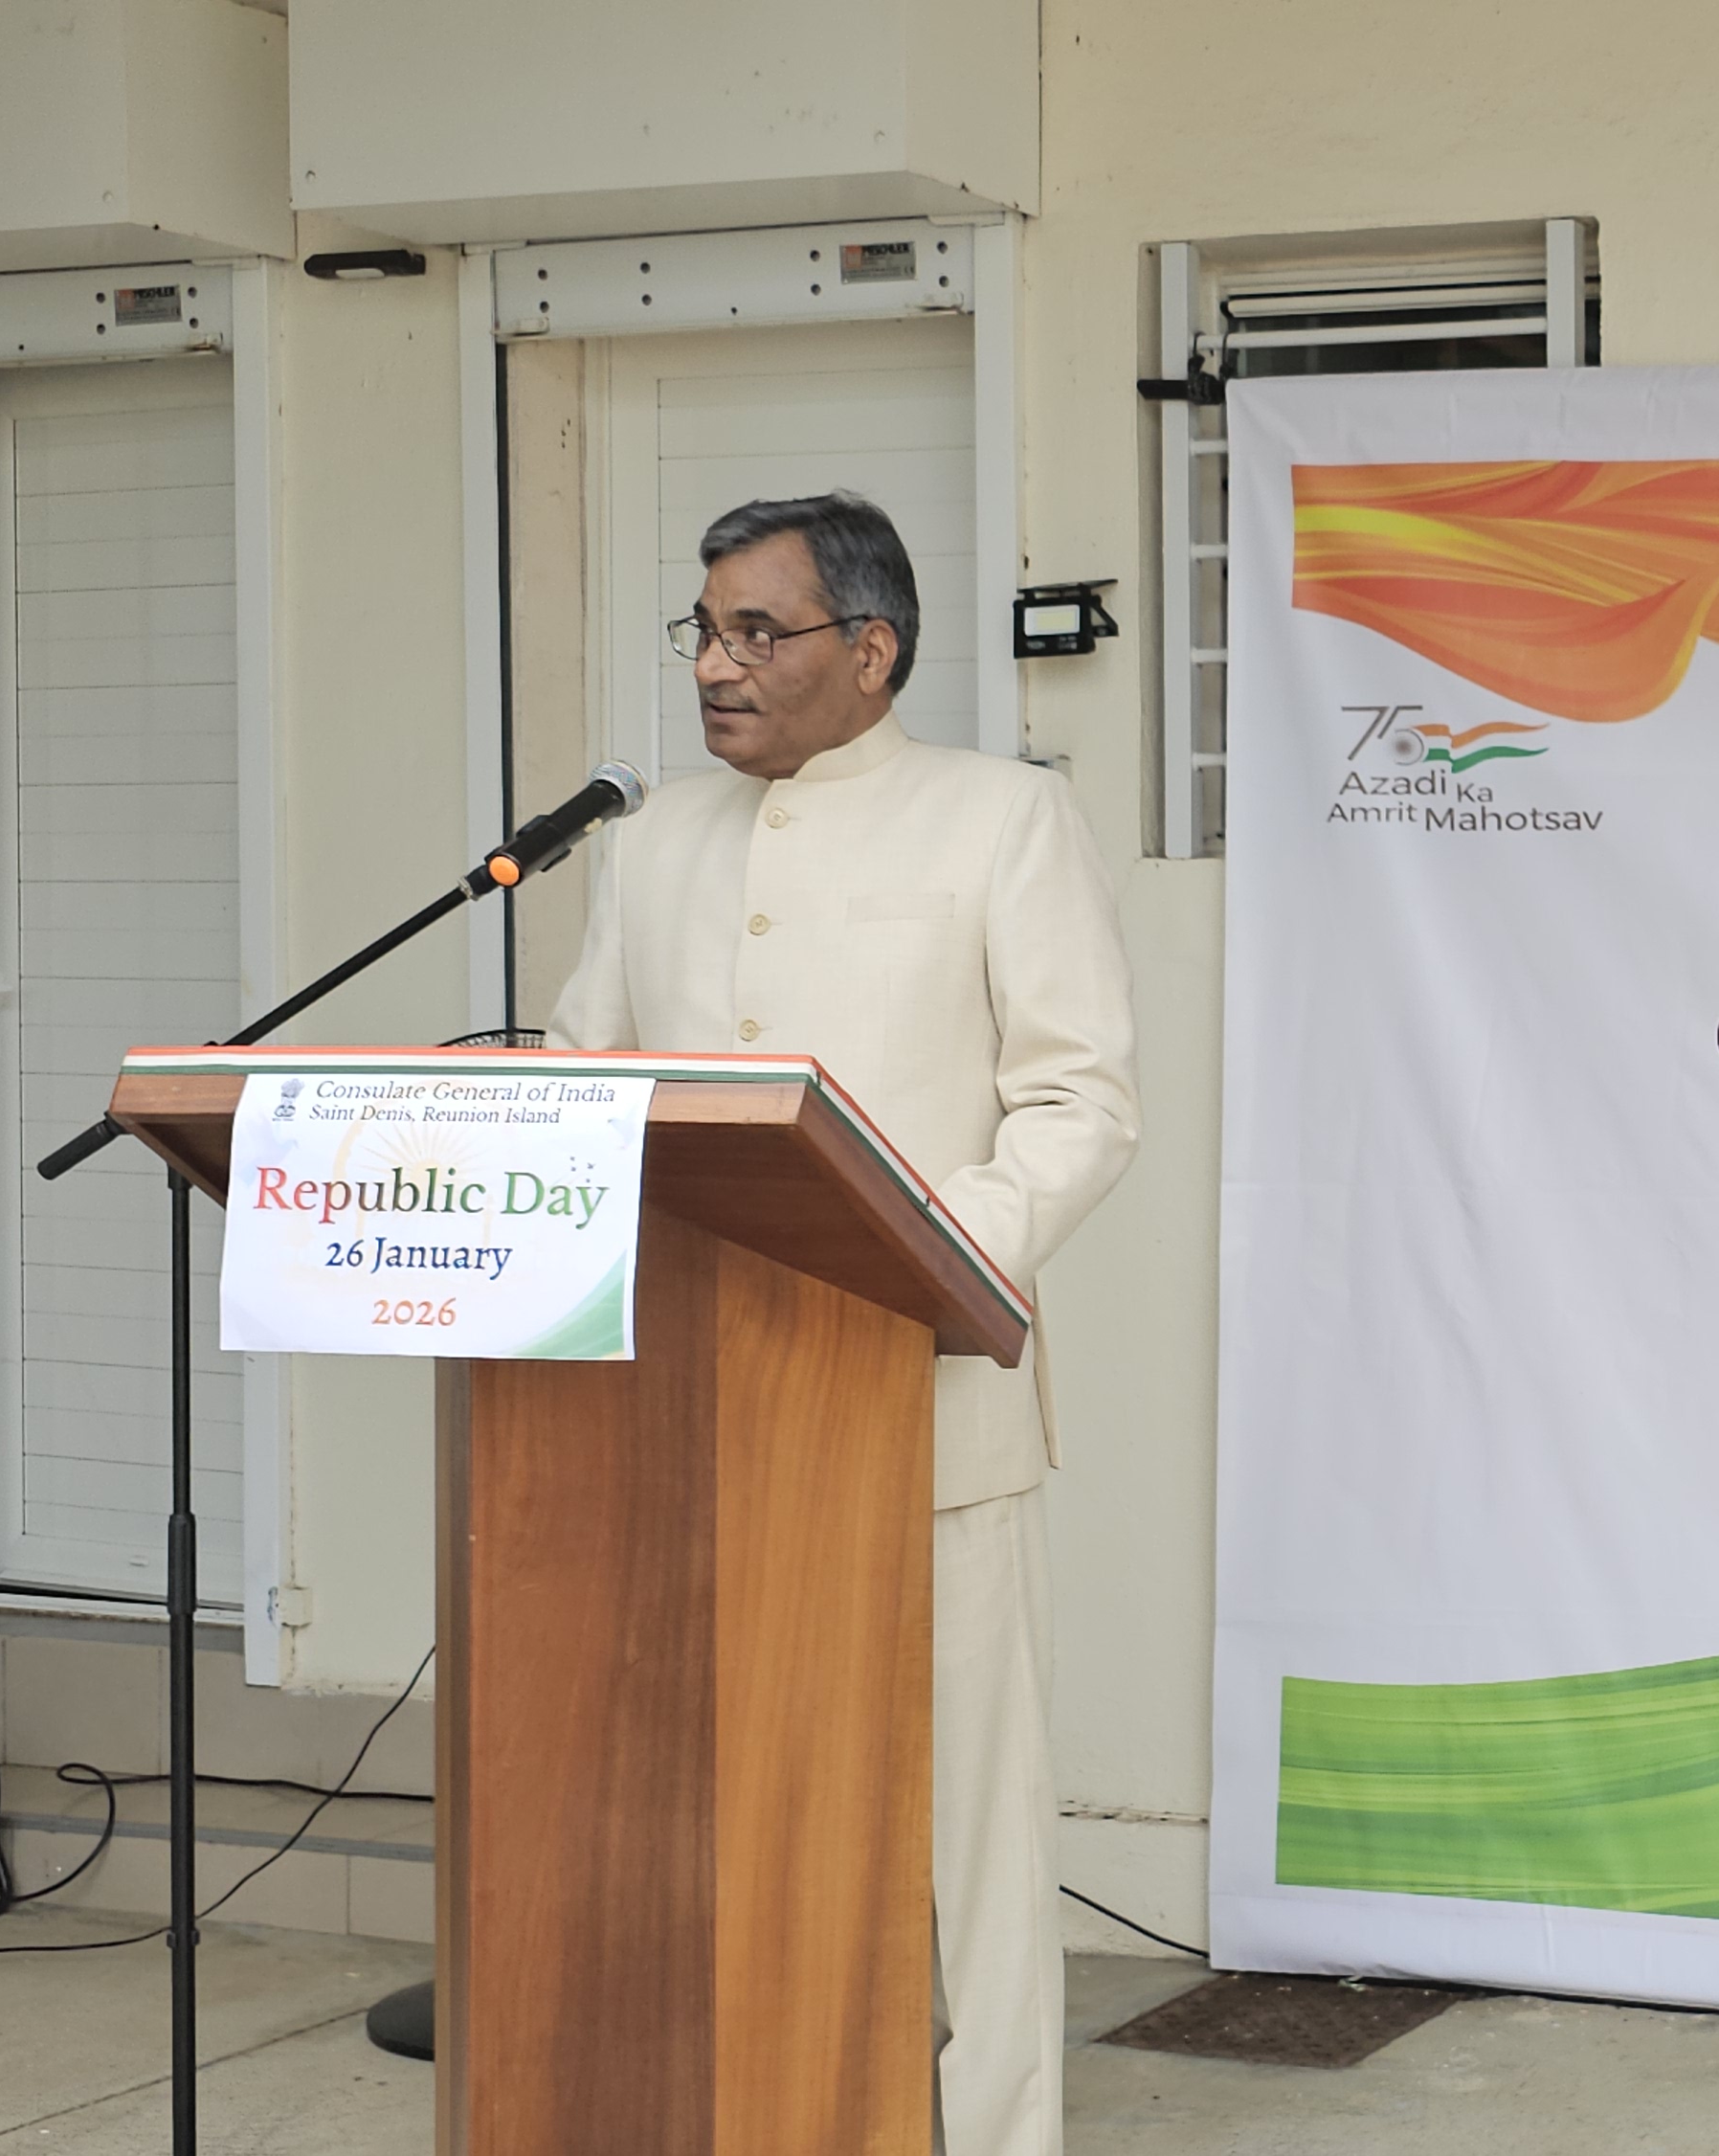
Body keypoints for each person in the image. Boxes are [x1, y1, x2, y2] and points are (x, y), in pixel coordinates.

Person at [548, 491, 1138, 2156]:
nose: (714, 666)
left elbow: (1082, 1102)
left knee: (971, 1836)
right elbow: (589, 1080)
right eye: (704, 629)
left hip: (922, 1398)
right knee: (733, 1812)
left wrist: (936, 1254)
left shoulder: (1001, 820)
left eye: (758, 631)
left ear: (870, 652)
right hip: (690, 1415)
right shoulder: (655, 838)